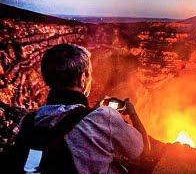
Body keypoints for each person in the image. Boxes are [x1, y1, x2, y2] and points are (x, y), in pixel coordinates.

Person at [12, 43, 150, 173]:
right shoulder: (104, 118)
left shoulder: (28, 122)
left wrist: (89, 110)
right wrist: (132, 113)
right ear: (82, 78)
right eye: (89, 74)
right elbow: (142, 150)